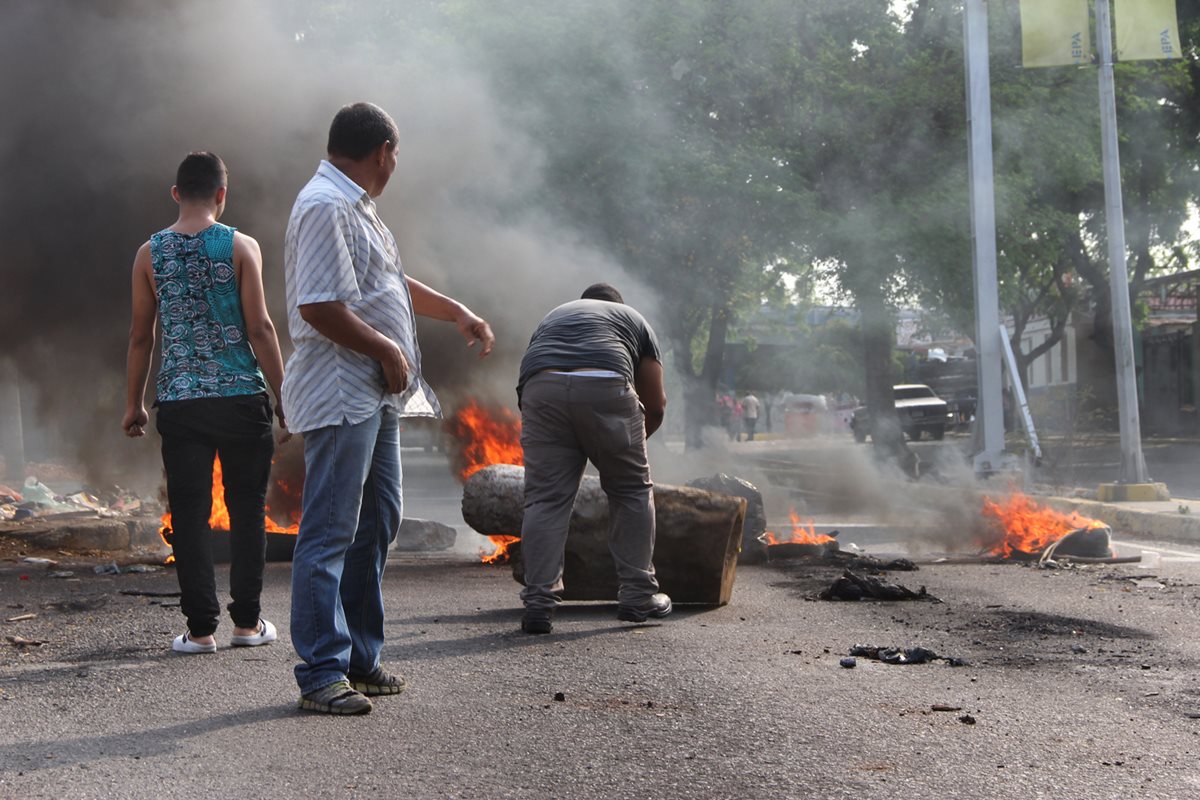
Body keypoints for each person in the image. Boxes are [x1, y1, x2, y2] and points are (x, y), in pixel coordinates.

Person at [284, 102, 494, 715]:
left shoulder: (358, 209)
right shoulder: (325, 205)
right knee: (328, 531)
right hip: (342, 390)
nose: (396, 164)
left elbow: (389, 285)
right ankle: (322, 673)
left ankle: (360, 660)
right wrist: (385, 348)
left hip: (372, 393)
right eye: (396, 155)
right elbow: (317, 305)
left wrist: (456, 310)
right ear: (382, 152)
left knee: (378, 519)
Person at [123, 151, 287, 655]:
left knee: (190, 515)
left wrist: (134, 404)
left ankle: (199, 632)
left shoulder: (149, 254)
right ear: (222, 194)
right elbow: (259, 327)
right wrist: (285, 396)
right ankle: (247, 624)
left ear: (176, 194)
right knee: (246, 509)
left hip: (181, 401)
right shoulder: (241, 246)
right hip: (241, 398)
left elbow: (140, 337)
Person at [516, 283, 669, 635]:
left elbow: (532, 374)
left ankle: (539, 602)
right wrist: (624, 449)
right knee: (631, 491)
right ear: (618, 305)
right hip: (606, 384)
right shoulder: (633, 319)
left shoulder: (554, 315)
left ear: (583, 303)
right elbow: (656, 405)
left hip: (541, 390)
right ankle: (637, 597)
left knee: (545, 499)